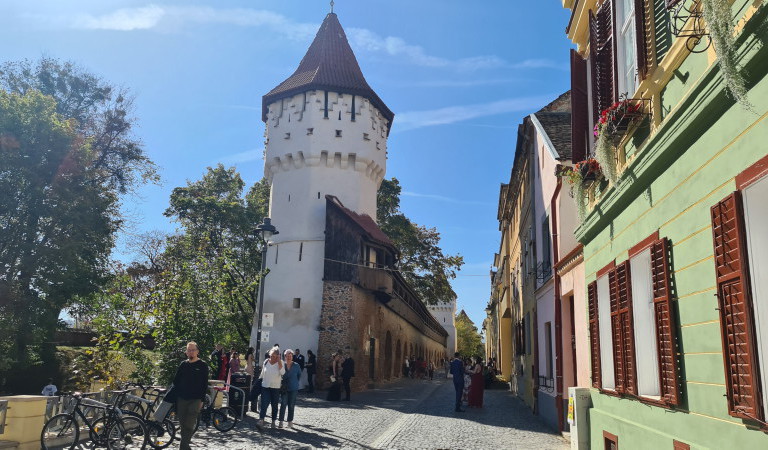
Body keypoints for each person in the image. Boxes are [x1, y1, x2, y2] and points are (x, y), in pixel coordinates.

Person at [174, 342, 208, 450]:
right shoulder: (183, 365)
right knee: (183, 424)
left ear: (197, 351)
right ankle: (186, 447)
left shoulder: (203, 365)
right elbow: (176, 381)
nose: (191, 352)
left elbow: (204, 384)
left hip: (196, 399)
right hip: (182, 399)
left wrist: (202, 400)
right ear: (186, 352)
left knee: (189, 424)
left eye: (193, 350)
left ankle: (182, 447)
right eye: (189, 350)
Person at [258, 348, 285, 428]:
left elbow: (283, 372)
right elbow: (262, 373)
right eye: (271, 355)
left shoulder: (281, 362)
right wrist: (258, 382)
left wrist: (279, 361)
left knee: (274, 405)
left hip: (275, 387)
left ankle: (273, 421)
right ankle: (261, 420)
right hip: (265, 386)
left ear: (278, 356)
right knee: (264, 404)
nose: (272, 357)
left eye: (274, 356)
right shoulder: (266, 361)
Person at [279, 349, 301, 429]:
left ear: (292, 357)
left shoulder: (296, 365)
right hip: (284, 388)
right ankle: (281, 421)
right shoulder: (282, 365)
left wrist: (294, 382)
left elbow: (299, 376)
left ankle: (290, 421)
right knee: (283, 404)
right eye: (287, 356)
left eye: (290, 356)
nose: (289, 357)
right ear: (285, 357)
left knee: (291, 405)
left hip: (293, 388)